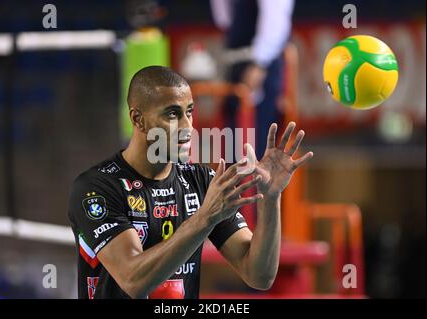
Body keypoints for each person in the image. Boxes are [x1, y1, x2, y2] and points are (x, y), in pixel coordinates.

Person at [68, 65, 312, 299]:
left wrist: (271, 198)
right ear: (138, 119)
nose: (187, 126)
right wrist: (205, 218)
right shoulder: (95, 188)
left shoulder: (202, 181)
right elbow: (133, 280)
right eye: (172, 113)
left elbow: (259, 275)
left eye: (189, 112)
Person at [211, 0, 295, 159]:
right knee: (232, 148)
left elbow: (276, 20)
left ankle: (256, 184)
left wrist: (259, 63)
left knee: (256, 146)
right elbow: (223, 18)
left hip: (260, 67)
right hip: (235, 64)